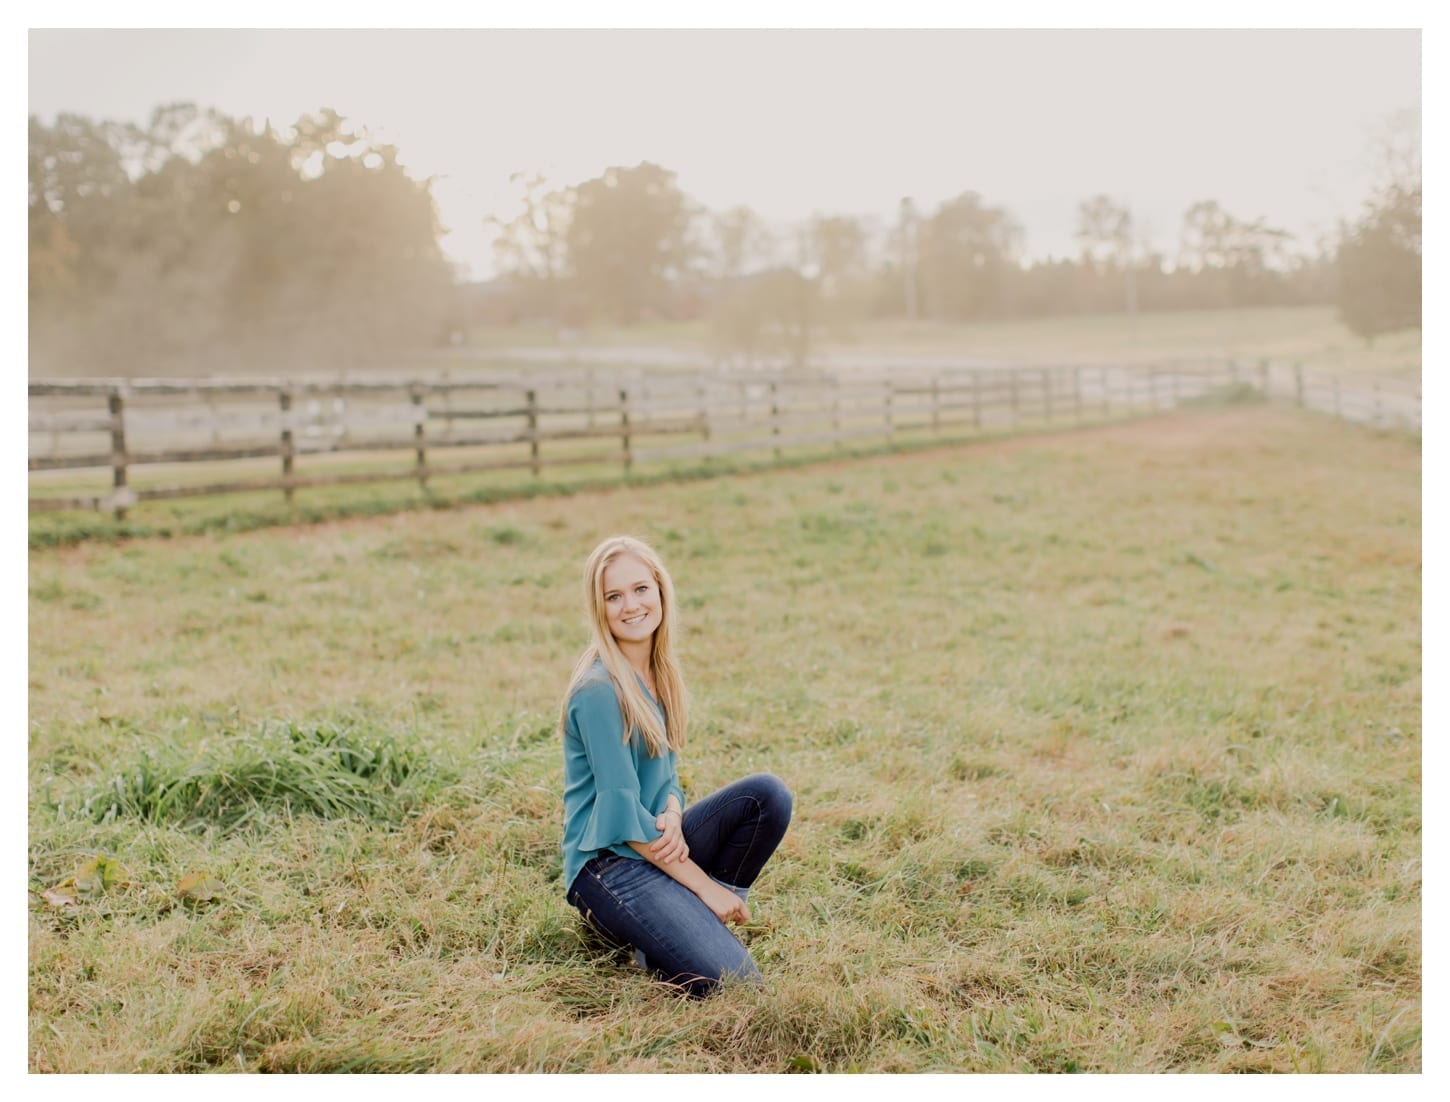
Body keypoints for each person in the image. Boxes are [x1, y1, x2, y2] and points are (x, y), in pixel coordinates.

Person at [560, 534, 792, 997]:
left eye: (641, 589)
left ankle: (677, 931)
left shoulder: (656, 670)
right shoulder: (599, 692)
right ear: (599, 608)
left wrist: (669, 808)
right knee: (737, 985)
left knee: (766, 797)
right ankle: (661, 926)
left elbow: (666, 774)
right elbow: (623, 817)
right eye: (614, 596)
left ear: (661, 590)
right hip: (608, 866)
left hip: (653, 839)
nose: (631, 605)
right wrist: (706, 886)